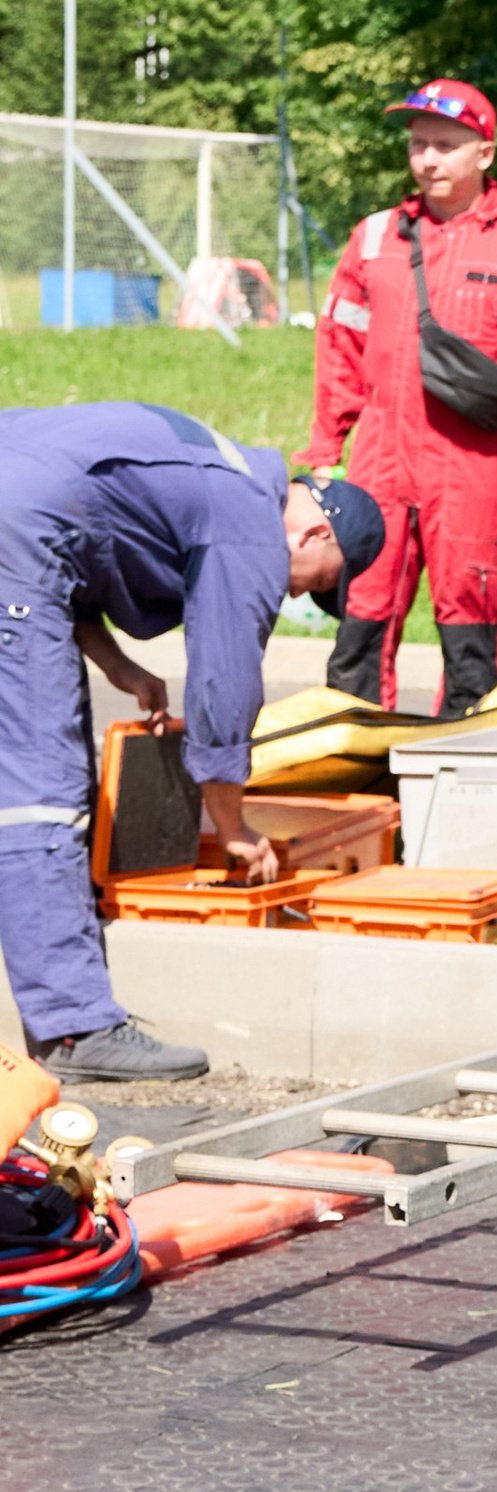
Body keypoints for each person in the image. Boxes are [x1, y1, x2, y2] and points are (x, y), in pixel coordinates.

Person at [0, 405, 381, 1085]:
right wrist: (232, 827)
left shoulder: (223, 471)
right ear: (316, 532)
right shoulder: (251, 525)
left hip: (21, 518)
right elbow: (223, 683)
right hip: (18, 535)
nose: (299, 592)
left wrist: (117, 665)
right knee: (43, 791)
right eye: (319, 581)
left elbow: (67, 522)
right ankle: (73, 1029)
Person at [307, 81, 497, 718]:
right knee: (361, 615)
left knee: (470, 628)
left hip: (473, 471)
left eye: (445, 145)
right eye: (418, 145)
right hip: (378, 466)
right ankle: (359, 769)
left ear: (484, 154)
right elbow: (339, 351)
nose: (428, 159)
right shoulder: (374, 237)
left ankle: (463, 765)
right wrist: (325, 452)